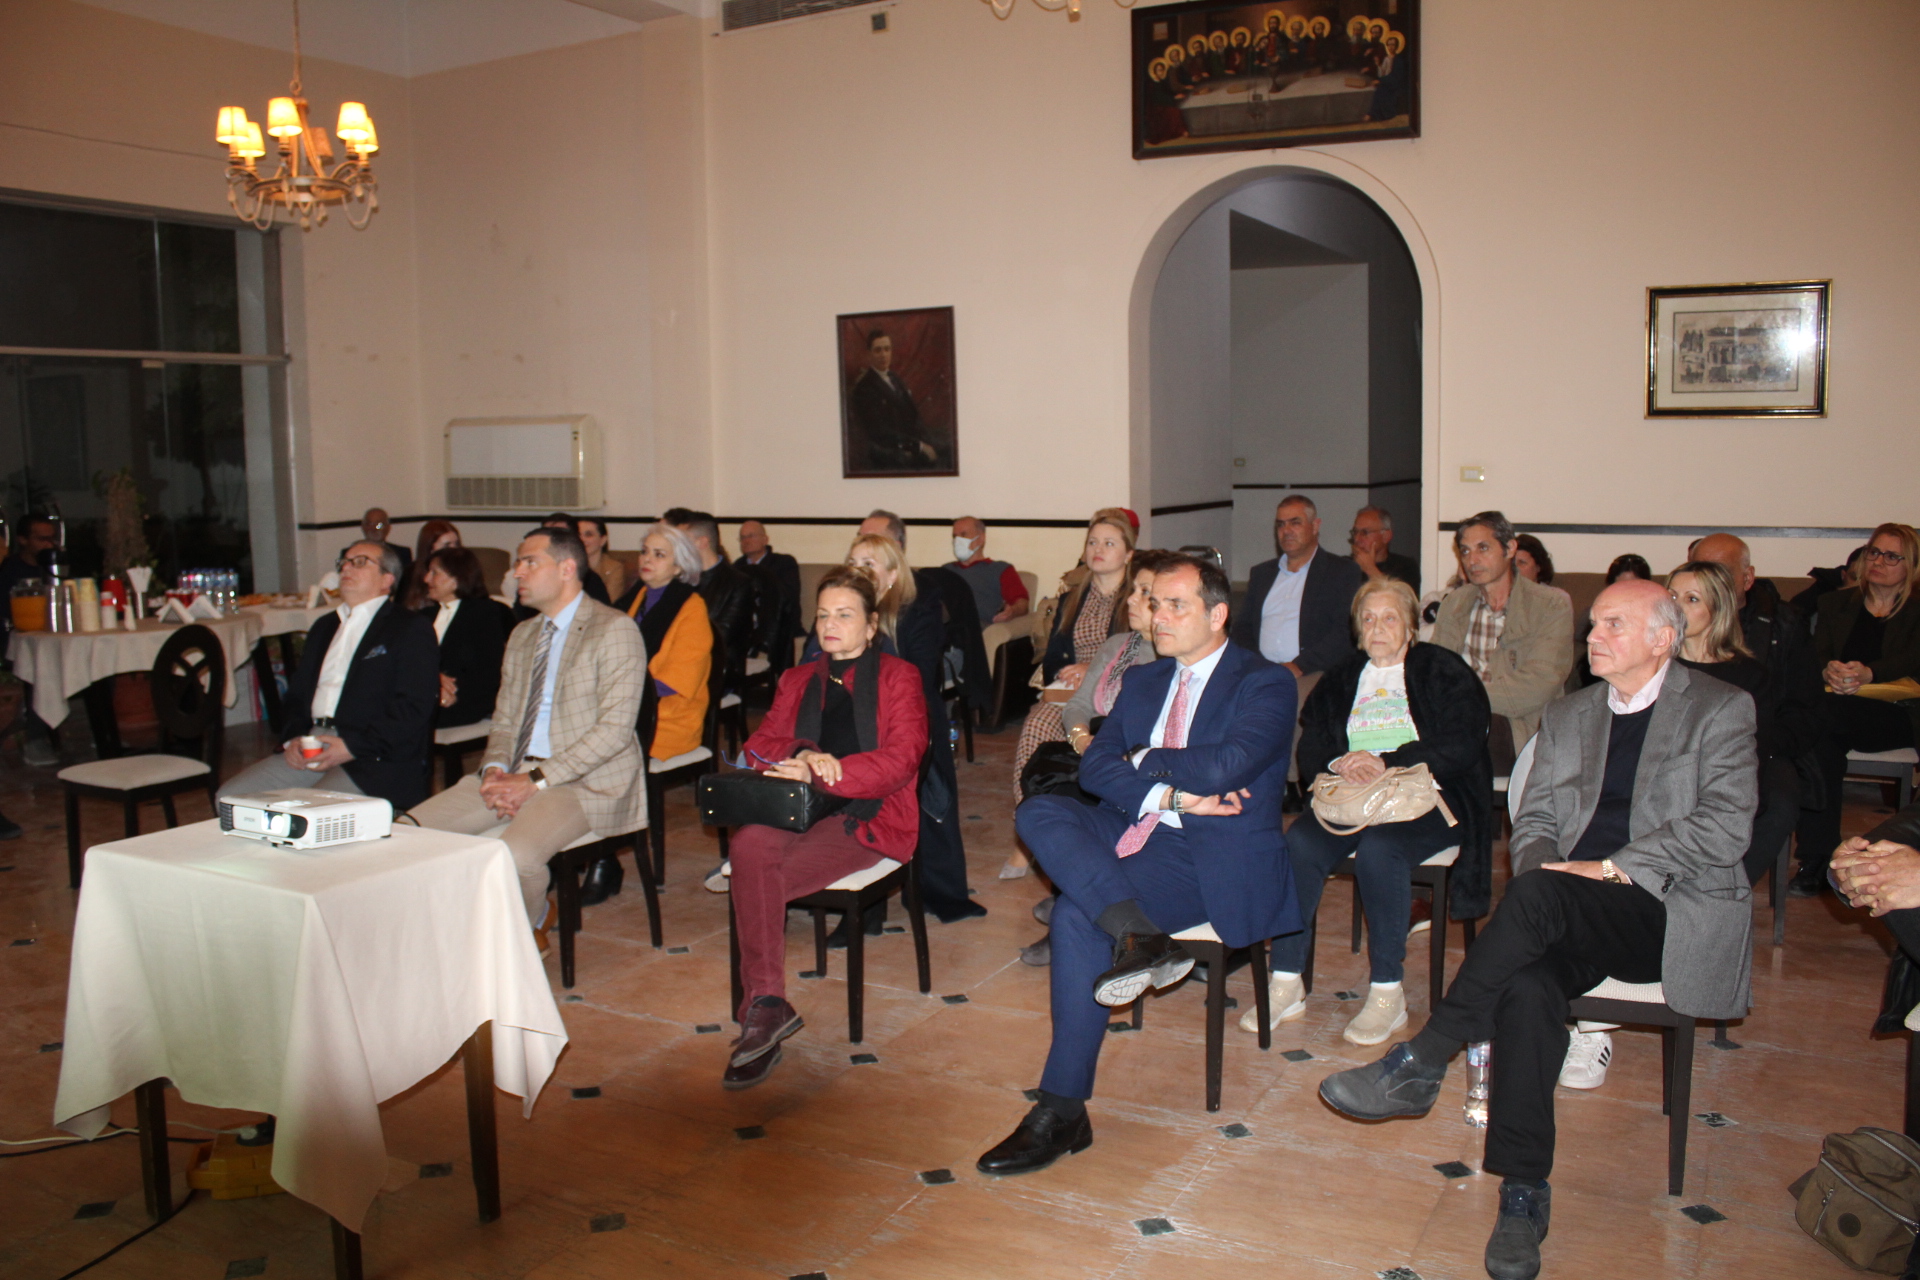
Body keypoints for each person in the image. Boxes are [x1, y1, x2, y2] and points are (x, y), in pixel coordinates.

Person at [1317, 579, 1756, 1280]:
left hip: (1666, 910)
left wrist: (1605, 870)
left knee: (1540, 895)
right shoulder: (1572, 712)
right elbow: (1538, 822)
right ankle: (1523, 1195)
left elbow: (1725, 827)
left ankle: (1424, 1059)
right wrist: (1551, 872)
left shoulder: (1720, 708)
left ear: (1662, 639)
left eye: (1613, 624)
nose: (1593, 635)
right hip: (1564, 907)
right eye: (1594, 622)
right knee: (1526, 984)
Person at [978, 554, 1298, 1177]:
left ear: (1217, 614)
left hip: (1209, 853)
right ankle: (1140, 934)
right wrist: (1169, 796)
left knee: (1075, 916)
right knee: (1040, 810)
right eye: (1155, 604)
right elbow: (1096, 769)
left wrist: (1145, 756)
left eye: (1176, 605)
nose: (1159, 617)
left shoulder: (1265, 682)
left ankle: (1061, 1109)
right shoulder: (1147, 680)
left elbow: (1227, 765)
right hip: (1144, 823)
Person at [1249, 578, 1492, 1045]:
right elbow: (1313, 742)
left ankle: (1387, 992)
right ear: (1357, 629)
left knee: (1382, 850)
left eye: (1389, 617)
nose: (1378, 627)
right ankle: (1286, 981)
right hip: (1353, 796)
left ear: (1410, 626)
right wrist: (1340, 762)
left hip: (1426, 797)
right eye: (1368, 618)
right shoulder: (1342, 676)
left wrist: (1388, 761)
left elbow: (1462, 741)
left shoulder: (1441, 669)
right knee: (1299, 842)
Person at [721, 566, 928, 1090]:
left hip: (868, 815)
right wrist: (802, 753)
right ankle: (769, 1004)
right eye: (822, 615)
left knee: (753, 880)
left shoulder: (899, 677)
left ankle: (759, 1012)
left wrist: (831, 771)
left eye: (844, 615)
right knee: (748, 844)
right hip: (800, 807)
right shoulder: (797, 680)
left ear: (872, 624)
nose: (830, 625)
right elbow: (757, 747)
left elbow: (902, 760)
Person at [410, 526, 647, 934]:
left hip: (585, 783)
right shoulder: (522, 634)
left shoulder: (613, 629)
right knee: (408, 833)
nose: (517, 572)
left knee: (515, 856)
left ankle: (527, 932)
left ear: (567, 568)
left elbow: (614, 732)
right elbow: (504, 720)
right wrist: (495, 770)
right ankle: (450, 935)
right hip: (517, 770)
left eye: (530, 562)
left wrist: (534, 780)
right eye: (518, 562)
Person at [1021, 549, 1176, 966]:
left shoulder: (1170, 659)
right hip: (1093, 749)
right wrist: (1081, 739)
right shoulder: (1115, 645)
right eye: (1134, 590)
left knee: (1077, 802)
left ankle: (1070, 910)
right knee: (1047, 783)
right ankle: (1077, 899)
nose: (1131, 600)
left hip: (1131, 764)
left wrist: (1105, 752)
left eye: (1144, 593)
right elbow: (1078, 705)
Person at [222, 541, 439, 812]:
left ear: (387, 579)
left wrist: (351, 747)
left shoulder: (409, 628)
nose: (346, 568)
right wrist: (293, 739)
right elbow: (297, 695)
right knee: (230, 799)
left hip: (373, 753)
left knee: (309, 812)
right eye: (343, 562)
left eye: (359, 562)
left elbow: (413, 707)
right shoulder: (324, 627)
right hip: (313, 741)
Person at [844, 525, 985, 923]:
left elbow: (919, 678)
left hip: (910, 717)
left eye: (868, 563)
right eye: (852, 562)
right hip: (852, 721)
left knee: (926, 791)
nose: (857, 570)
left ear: (892, 574)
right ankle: (856, 900)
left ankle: (932, 891)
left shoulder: (919, 608)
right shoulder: (841, 608)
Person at [1007, 510, 1136, 875]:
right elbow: (1053, 659)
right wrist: (1066, 677)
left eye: (1109, 543)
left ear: (1128, 554)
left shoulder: (1136, 598)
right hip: (1073, 695)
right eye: (1092, 542)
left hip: (1116, 693)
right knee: (1035, 726)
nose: (1098, 549)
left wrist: (1090, 670)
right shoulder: (1072, 598)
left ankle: (1087, 832)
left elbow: (1141, 653)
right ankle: (1029, 831)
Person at [1796, 522, 1920, 895]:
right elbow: (1817, 652)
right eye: (1874, 552)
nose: (1878, 561)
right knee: (1820, 742)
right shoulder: (1835, 603)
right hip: (1838, 712)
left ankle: (1816, 861)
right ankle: (1818, 859)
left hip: (1898, 713)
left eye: (1892, 556)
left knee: (1817, 721)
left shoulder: (1917, 609)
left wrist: (1869, 673)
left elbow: (1913, 659)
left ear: (1911, 566)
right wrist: (1828, 669)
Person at [1668, 560, 1804, 885]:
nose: (1675, 608)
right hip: (1665, 777)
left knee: (1777, 802)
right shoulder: (1652, 665)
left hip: (1723, 776)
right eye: (1671, 597)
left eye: (1691, 599)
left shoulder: (1749, 675)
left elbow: (1752, 751)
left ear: (1719, 609)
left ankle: (1725, 891)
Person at [1431, 511, 1574, 772]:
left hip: (1517, 724)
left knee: (1469, 734)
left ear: (1509, 549)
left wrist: (1465, 699)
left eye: (1483, 548)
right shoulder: (1454, 604)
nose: (1472, 560)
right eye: (1465, 551)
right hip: (1454, 717)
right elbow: (1435, 671)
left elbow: (1541, 682)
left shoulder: (1550, 605)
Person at [1230, 494, 1367, 685]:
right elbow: (1242, 628)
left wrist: (1299, 666)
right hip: (1260, 671)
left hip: (1312, 673)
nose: (1286, 531)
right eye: (1280, 525)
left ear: (1315, 526)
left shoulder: (1341, 572)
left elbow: (1346, 632)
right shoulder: (1262, 574)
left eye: (1295, 523)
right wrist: (1258, 664)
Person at [625, 523, 714, 762]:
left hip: (668, 718)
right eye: (644, 551)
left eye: (659, 555)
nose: (647, 559)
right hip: (630, 706)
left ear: (678, 567)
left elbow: (673, 683)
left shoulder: (692, 608)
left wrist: (618, 692)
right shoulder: (637, 596)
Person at [419, 546, 514, 731]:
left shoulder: (484, 613)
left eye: (434, 573)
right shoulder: (424, 616)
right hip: (424, 697)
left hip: (463, 701)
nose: (426, 579)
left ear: (456, 579)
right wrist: (434, 678)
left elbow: (487, 670)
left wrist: (445, 691)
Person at [662, 510, 759, 684]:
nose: (677, 548)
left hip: (717, 667)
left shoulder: (739, 584)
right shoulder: (680, 578)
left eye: (683, 541)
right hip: (677, 660)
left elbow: (720, 638)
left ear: (702, 542)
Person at [846, 330, 945, 473]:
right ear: (869, 354)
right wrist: (919, 446)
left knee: (948, 448)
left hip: (914, 441)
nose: (883, 355)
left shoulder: (894, 378)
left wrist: (926, 441)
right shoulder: (864, 388)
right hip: (893, 452)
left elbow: (913, 415)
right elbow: (879, 432)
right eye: (878, 350)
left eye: (887, 349)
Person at [736, 519, 802, 674]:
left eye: (751, 536)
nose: (746, 541)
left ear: (765, 539)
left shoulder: (784, 563)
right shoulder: (735, 568)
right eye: (743, 537)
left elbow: (789, 597)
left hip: (780, 624)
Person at [947, 516, 1030, 627]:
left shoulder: (1000, 569)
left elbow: (1022, 604)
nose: (957, 541)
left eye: (963, 535)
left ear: (981, 539)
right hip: (942, 625)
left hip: (975, 627)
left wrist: (1012, 611)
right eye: (955, 536)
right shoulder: (945, 570)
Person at [1349, 505, 1421, 592]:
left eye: (1365, 532)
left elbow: (1401, 598)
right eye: (1355, 532)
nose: (1357, 539)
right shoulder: (1344, 566)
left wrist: (1370, 569)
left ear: (1386, 536)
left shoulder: (1405, 567)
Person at [400, 519, 461, 610]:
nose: (454, 549)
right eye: (447, 545)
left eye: (456, 544)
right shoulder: (411, 573)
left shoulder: (463, 570)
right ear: (430, 548)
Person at [579, 517, 627, 603]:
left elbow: (609, 603)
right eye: (578, 534)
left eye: (588, 535)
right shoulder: (569, 566)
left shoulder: (614, 569)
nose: (581, 539)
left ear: (603, 540)